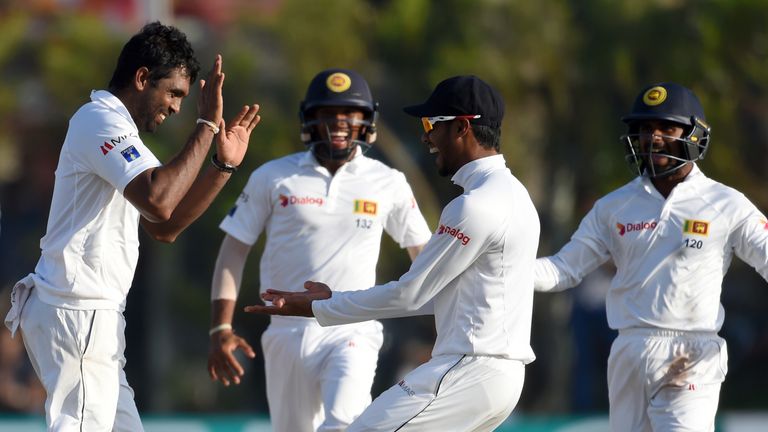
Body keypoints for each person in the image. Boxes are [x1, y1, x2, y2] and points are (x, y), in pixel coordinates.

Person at [3, 21, 261, 431]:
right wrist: (207, 125)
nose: (177, 106)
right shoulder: (99, 120)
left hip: (93, 315)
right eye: (174, 92)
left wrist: (222, 165)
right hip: (79, 308)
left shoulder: (123, 134)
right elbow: (159, 202)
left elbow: (166, 226)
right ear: (142, 78)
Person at [244, 75, 540, 432]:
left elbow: (411, 294)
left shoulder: (474, 206)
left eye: (432, 124)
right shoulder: (516, 195)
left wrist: (319, 305)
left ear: (462, 127)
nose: (425, 137)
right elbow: (441, 296)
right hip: (501, 378)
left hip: (469, 368)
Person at [206, 68, 432, 432]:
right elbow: (233, 251)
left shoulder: (387, 181)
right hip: (286, 332)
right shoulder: (273, 176)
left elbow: (424, 256)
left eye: (350, 114)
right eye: (328, 113)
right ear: (310, 119)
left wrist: (444, 322)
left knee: (345, 424)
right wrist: (220, 326)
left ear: (366, 120)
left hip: (351, 327)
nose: (339, 123)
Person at [534, 82, 768, 431]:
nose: (653, 137)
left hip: (692, 351)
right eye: (645, 129)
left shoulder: (725, 204)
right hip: (629, 350)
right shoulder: (614, 207)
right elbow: (563, 269)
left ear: (694, 135)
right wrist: (499, 269)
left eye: (666, 128)